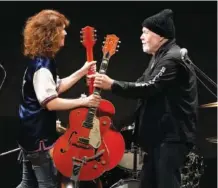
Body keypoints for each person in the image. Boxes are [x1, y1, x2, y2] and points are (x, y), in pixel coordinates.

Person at [91, 9, 199, 188]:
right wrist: (117, 123)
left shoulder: (171, 59)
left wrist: (112, 84)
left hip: (171, 138)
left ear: (160, 35)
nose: (141, 37)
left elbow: (150, 87)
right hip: (158, 138)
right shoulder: (158, 58)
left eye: (145, 32)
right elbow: (141, 89)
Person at [16, 9, 101, 188]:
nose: (65, 32)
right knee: (47, 185)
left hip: (28, 133)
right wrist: (84, 101)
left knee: (28, 184)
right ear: (50, 33)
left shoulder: (42, 60)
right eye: (61, 28)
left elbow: (56, 87)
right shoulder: (43, 66)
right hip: (38, 138)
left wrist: (82, 71)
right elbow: (50, 102)